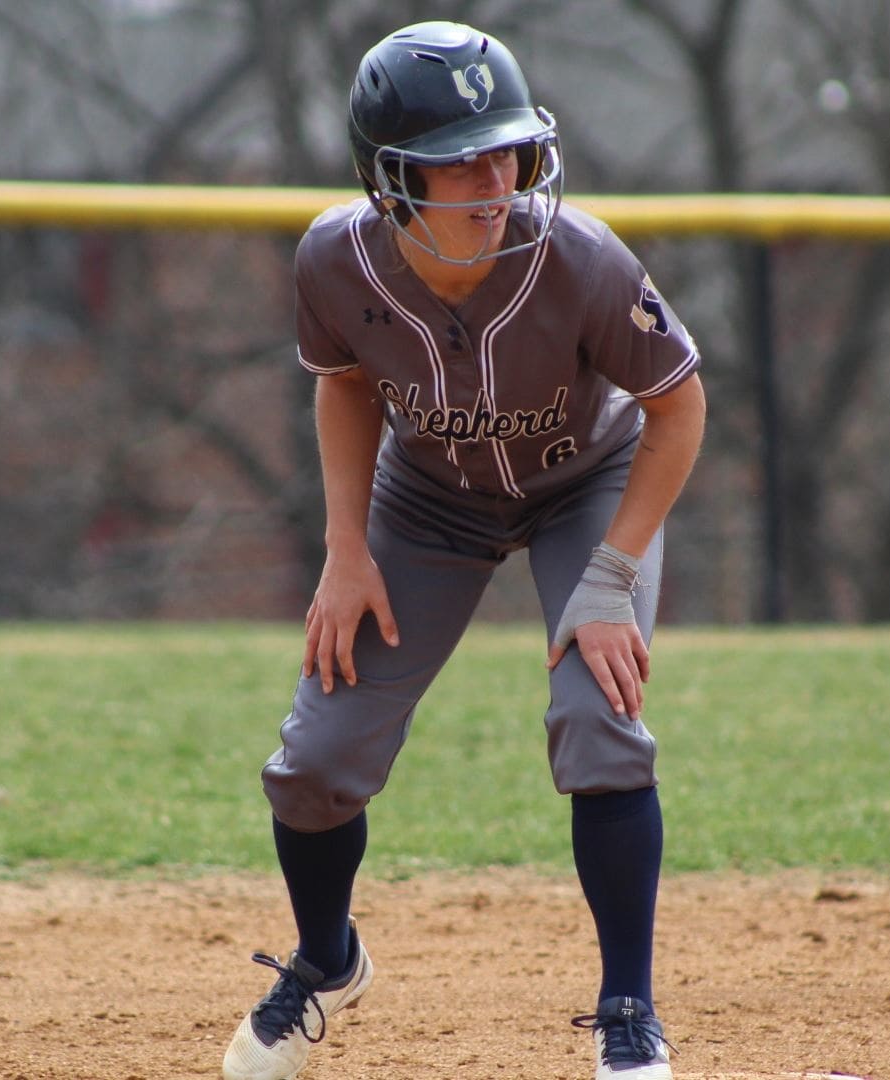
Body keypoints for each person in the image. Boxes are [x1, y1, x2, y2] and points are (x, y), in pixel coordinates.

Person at [222, 19, 705, 1080]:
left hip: (588, 487)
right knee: (316, 761)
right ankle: (327, 962)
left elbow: (678, 410)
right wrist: (344, 549)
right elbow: (345, 383)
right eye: (460, 161)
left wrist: (611, 578)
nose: (496, 181)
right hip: (428, 499)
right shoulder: (334, 258)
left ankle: (629, 1012)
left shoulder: (580, 259)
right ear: (392, 180)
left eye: (509, 151)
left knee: (599, 716)